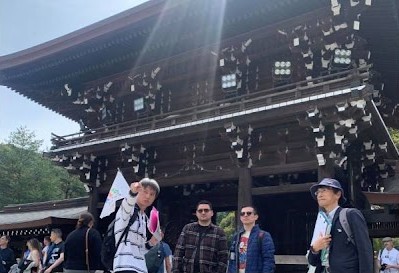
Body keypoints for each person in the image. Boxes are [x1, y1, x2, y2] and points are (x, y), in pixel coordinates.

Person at [307, 178, 373, 273]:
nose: (320, 194)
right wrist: (315, 249)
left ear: (338, 194)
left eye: (324, 190)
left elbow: (365, 251)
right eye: (318, 192)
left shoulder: (350, 215)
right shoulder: (321, 221)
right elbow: (313, 261)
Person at [113, 178, 160, 273]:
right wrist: (132, 193)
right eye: (145, 191)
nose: (148, 196)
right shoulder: (127, 211)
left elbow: (140, 250)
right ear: (138, 191)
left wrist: (152, 242)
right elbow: (128, 204)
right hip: (125, 266)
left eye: (152, 194)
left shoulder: (145, 219)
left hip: (141, 268)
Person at [173, 200, 228, 273]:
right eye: (200, 210)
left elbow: (223, 257)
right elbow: (178, 252)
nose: (203, 212)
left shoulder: (219, 232)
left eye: (206, 210)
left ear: (212, 213)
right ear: (196, 213)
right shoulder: (188, 229)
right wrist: (176, 270)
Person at [227, 205, 275, 273]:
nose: (245, 215)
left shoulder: (264, 236)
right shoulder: (236, 236)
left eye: (249, 213)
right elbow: (232, 259)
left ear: (256, 217)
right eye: (242, 213)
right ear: (240, 217)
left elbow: (269, 261)